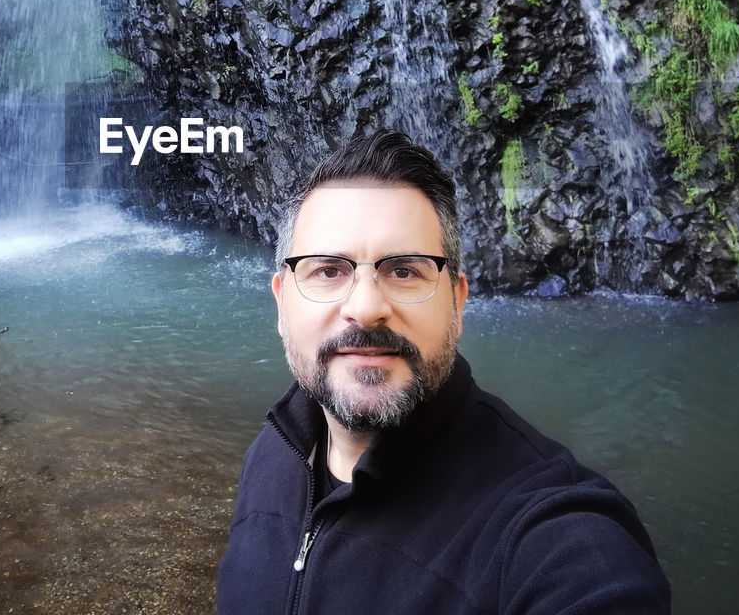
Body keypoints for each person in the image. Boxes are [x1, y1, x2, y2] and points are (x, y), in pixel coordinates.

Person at [215, 130, 670, 614]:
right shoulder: (275, 451)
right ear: (282, 302)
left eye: (405, 270)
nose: (366, 307)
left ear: (457, 301)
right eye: (329, 270)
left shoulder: (550, 530)